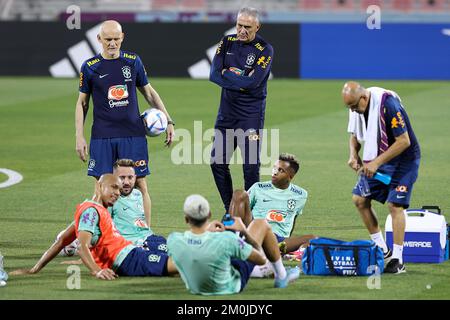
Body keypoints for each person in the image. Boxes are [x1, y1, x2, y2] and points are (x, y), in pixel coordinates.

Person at [75, 20, 175, 228]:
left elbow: (149, 92)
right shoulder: (90, 67)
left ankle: (145, 232)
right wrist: (79, 136)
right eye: (108, 39)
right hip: (102, 136)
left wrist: (168, 120)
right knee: (100, 188)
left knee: (140, 184)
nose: (112, 44)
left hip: (132, 134)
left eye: (116, 39)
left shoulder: (133, 61)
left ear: (122, 38)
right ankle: (95, 234)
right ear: (99, 39)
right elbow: (82, 103)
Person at [10, 159, 167, 276]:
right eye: (114, 187)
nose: (118, 193)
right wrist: (96, 269)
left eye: (118, 189)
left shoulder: (103, 207)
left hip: (132, 250)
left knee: (177, 258)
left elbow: (62, 241)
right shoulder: (91, 211)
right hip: (126, 256)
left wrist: (35, 269)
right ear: (100, 187)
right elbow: (72, 243)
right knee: (173, 263)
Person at [342, 81, 421, 274]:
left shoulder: (388, 104)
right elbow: (354, 135)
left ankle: (398, 259)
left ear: (364, 97)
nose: (353, 111)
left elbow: (404, 141)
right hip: (379, 157)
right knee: (360, 199)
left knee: (395, 205)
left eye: (354, 106)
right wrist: (353, 155)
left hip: (404, 160)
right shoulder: (356, 108)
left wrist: (376, 163)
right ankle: (382, 249)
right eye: (349, 107)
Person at [209, 7, 274, 214]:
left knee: (251, 167)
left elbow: (254, 82)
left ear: (257, 26)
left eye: (247, 27)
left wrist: (228, 74)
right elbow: (213, 75)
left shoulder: (265, 49)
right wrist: (242, 81)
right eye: (239, 25)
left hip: (250, 116)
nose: (242, 30)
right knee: (217, 163)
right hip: (226, 114)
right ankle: (231, 209)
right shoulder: (226, 42)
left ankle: (250, 213)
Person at [167, 194, 299, 295]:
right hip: (230, 286)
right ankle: (281, 276)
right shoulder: (226, 239)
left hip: (196, 288)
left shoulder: (174, 240)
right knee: (260, 224)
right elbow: (260, 259)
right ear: (209, 214)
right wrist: (244, 233)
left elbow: (195, 248)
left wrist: (208, 232)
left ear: (186, 218)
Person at [229, 153, 316, 258]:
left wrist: (287, 239)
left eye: (281, 170)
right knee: (239, 194)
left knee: (313, 239)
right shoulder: (258, 188)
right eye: (275, 168)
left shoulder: (300, 194)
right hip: (255, 234)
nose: (275, 172)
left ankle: (293, 253)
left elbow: (292, 218)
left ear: (290, 176)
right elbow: (246, 212)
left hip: (279, 240)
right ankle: (234, 240)